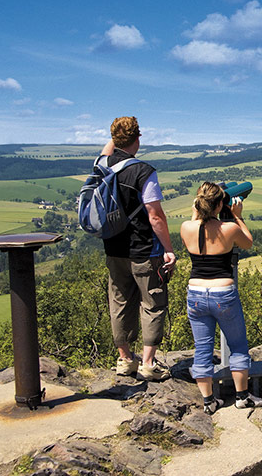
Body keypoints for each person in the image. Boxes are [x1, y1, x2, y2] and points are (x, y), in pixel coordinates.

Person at [101, 116, 176, 381]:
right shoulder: (144, 171)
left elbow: (106, 150)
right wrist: (168, 248)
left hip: (113, 248)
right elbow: (155, 215)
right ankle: (147, 363)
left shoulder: (101, 166)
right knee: (153, 303)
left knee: (119, 302)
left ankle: (124, 360)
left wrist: (117, 135)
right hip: (144, 250)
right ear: (138, 138)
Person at [180, 182, 262, 414]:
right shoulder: (229, 228)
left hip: (196, 293)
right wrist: (238, 216)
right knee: (238, 346)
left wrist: (199, 211)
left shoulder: (185, 227)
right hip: (223, 293)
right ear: (220, 205)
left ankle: (209, 402)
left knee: (202, 348)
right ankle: (241, 397)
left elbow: (198, 222)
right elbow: (247, 242)